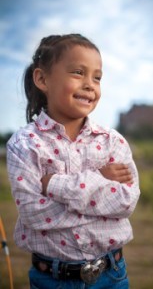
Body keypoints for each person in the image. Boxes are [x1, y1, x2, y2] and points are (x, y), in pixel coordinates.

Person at [6, 34, 140, 289]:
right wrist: (100, 202)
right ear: (42, 79)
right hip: (51, 280)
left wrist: (54, 185)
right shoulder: (24, 144)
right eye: (78, 72)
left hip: (111, 276)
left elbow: (125, 202)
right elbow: (34, 214)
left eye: (97, 77)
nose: (90, 84)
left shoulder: (113, 141)